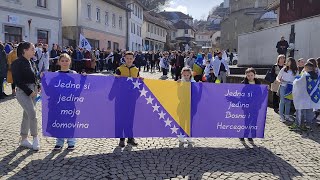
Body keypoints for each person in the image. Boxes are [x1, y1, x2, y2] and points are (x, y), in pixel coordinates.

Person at [11, 42, 40, 151]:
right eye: (32, 49)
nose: (34, 50)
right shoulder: (16, 63)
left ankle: (23, 139)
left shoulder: (32, 62)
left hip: (33, 90)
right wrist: (29, 92)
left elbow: (35, 76)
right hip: (23, 92)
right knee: (32, 113)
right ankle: (35, 137)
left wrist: (38, 86)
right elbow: (18, 81)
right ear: (24, 50)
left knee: (27, 115)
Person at [53, 54, 82, 150]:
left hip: (70, 102)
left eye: (67, 61)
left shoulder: (73, 73)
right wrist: (43, 78)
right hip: (59, 103)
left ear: (70, 62)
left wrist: (84, 78)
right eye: (63, 61)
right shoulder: (55, 74)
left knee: (70, 122)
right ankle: (59, 142)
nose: (65, 63)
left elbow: (79, 86)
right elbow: (51, 88)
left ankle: (71, 141)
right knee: (59, 121)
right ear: (59, 62)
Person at [114, 51, 139, 147]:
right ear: (124, 59)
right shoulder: (119, 69)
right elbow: (115, 82)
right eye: (127, 58)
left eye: (131, 58)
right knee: (121, 117)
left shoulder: (136, 70)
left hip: (131, 98)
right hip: (121, 97)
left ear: (133, 59)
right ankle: (122, 138)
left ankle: (130, 137)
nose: (129, 60)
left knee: (130, 117)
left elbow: (138, 82)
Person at [291, 62, 320, 131]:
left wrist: (296, 79)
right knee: (309, 112)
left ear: (306, 67)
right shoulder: (316, 76)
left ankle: (299, 125)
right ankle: (307, 125)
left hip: (302, 97)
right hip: (310, 98)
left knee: (301, 111)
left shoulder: (305, 75)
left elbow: (297, 83)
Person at [240, 68, 261, 142]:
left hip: (255, 106)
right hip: (246, 106)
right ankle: (244, 134)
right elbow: (241, 95)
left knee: (253, 121)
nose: (250, 77)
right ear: (246, 76)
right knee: (246, 121)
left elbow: (260, 95)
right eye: (248, 75)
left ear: (254, 75)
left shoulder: (258, 84)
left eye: (251, 75)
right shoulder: (243, 84)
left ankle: (250, 136)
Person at [276, 57, 298, 122]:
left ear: (292, 62)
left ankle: (287, 115)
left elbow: (297, 79)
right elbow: (278, 77)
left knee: (288, 102)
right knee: (282, 101)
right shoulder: (284, 69)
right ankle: (281, 116)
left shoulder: (296, 70)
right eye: (287, 61)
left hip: (291, 87)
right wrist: (279, 81)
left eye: (288, 61)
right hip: (283, 86)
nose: (287, 62)